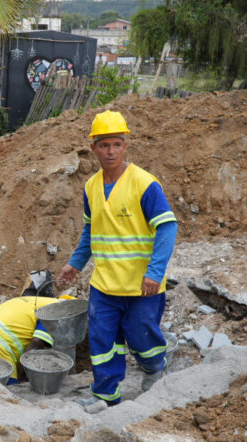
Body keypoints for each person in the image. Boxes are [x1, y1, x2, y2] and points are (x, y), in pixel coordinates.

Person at [56, 110, 178, 406]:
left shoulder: (144, 184)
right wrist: (75, 263)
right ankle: (106, 395)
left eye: (117, 145)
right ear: (93, 148)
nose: (111, 152)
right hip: (104, 286)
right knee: (103, 342)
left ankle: (153, 367)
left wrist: (155, 271)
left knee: (142, 339)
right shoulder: (91, 187)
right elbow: (91, 230)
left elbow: (167, 227)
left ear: (126, 146)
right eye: (104, 145)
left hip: (141, 286)